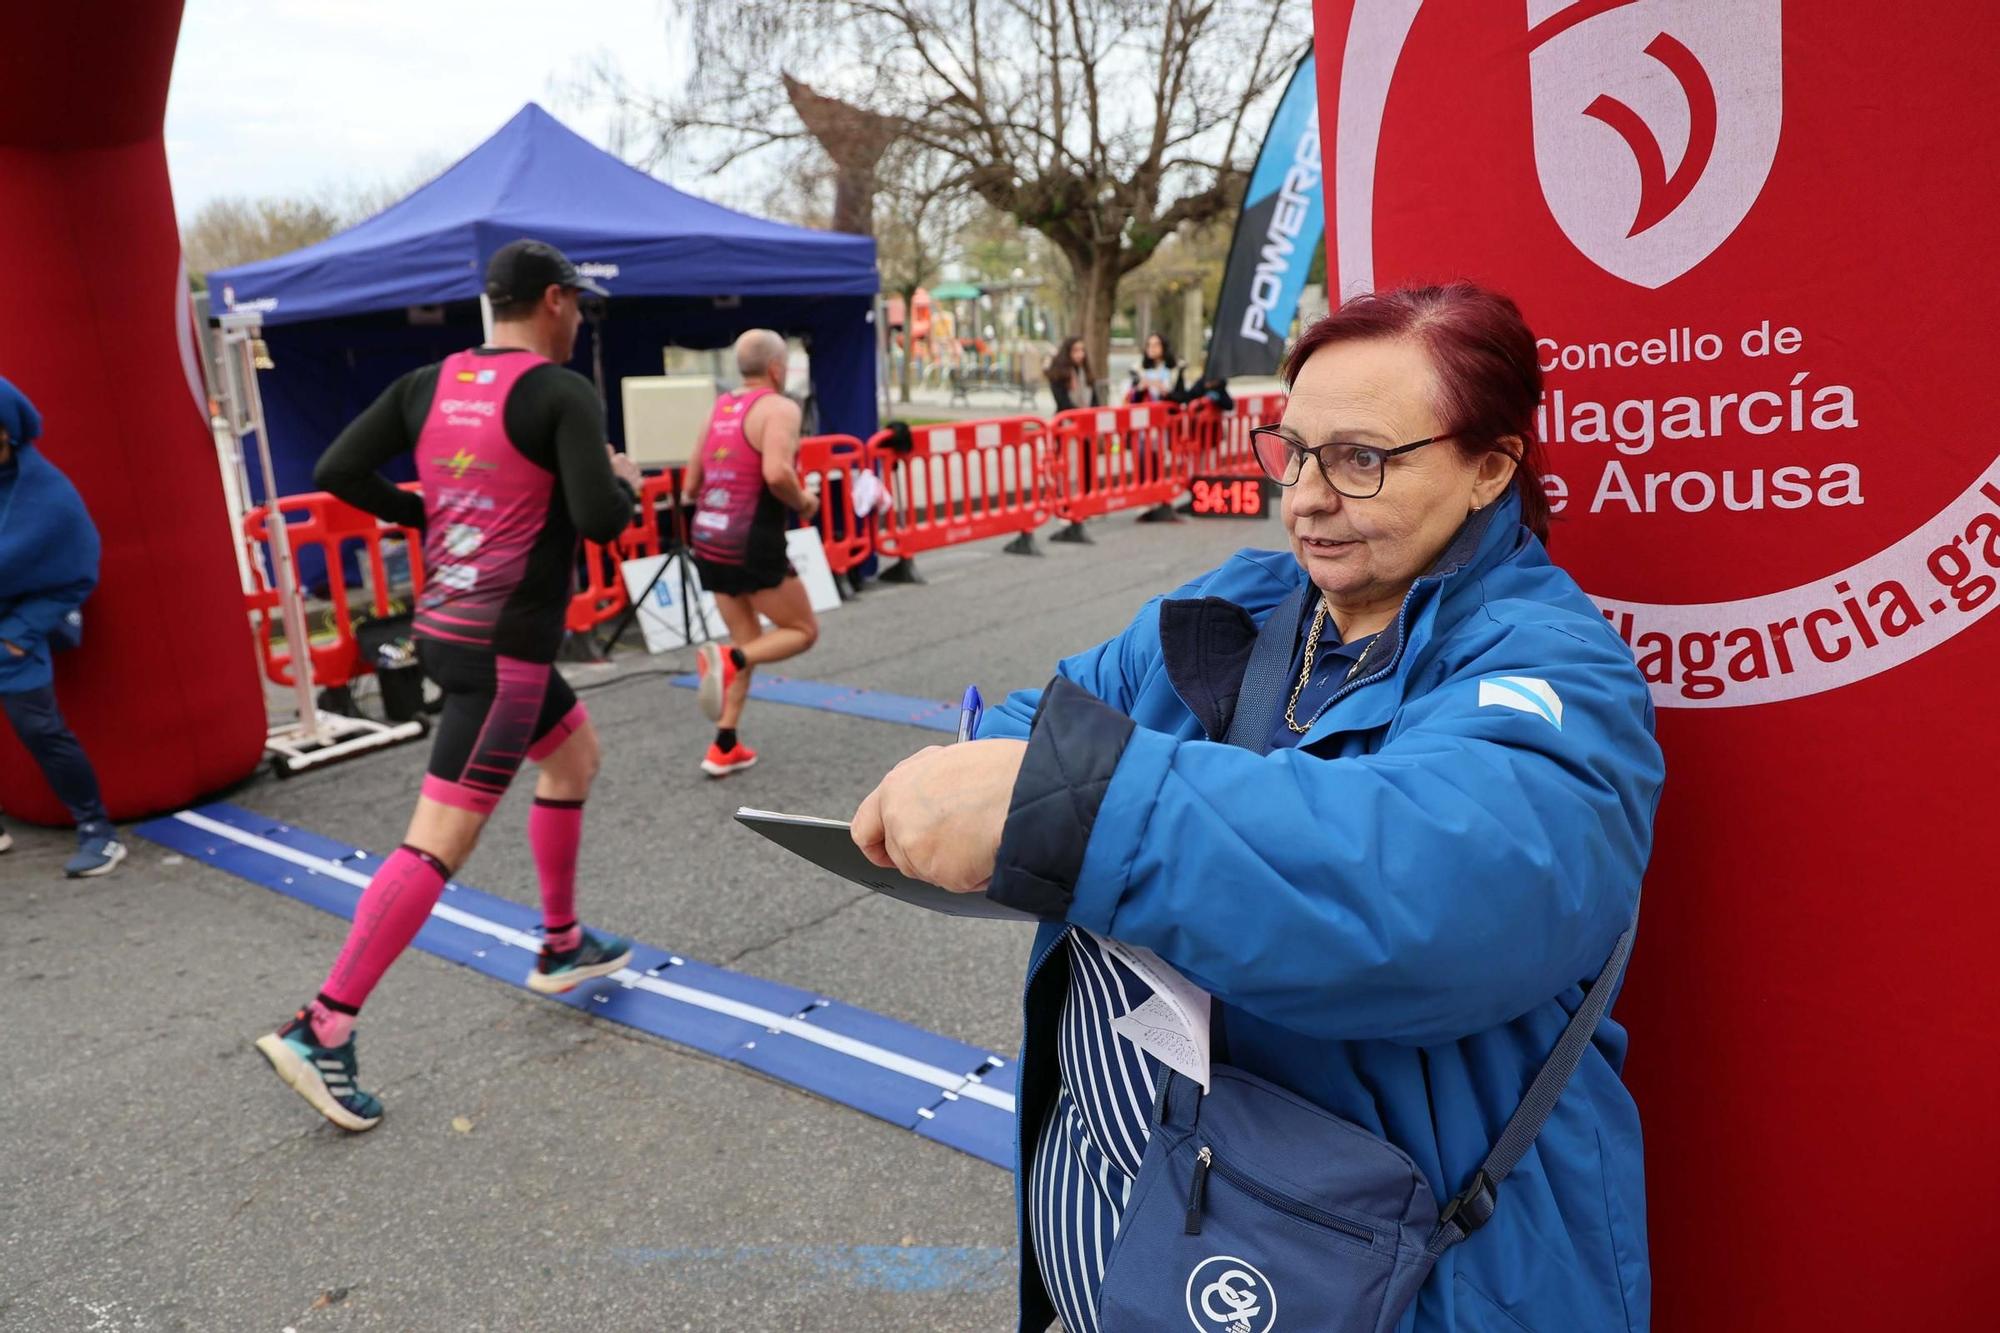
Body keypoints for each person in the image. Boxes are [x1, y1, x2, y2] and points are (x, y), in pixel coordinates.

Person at [852, 284, 1664, 1331]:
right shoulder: (1239, 605)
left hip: (1436, 1280)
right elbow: (1046, 720)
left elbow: (1434, 888)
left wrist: (1086, 807)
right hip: (1185, 1229)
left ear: (1488, 468)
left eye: (1361, 458)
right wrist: (980, 766)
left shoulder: (1555, 666)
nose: (1306, 498)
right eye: (1289, 449)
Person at [254, 239, 644, 1133]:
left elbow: (337, 471)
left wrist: (425, 510)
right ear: (552, 302)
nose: (579, 316)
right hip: (504, 649)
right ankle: (325, 1022)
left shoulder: (430, 383)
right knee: (436, 844)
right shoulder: (560, 392)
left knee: (574, 756)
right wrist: (619, 483)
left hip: (448, 627)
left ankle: (560, 942)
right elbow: (596, 518)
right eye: (576, 304)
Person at [681, 329, 821, 778]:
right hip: (752, 541)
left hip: (708, 537)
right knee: (801, 629)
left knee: (750, 642)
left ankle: (724, 743)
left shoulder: (718, 409)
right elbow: (777, 473)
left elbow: (690, 485)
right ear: (777, 369)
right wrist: (805, 502)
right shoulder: (779, 407)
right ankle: (730, 660)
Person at [0, 375, 125, 877]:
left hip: (15, 630)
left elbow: (75, 578)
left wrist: (16, 636)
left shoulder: (47, 493)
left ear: (6, 432)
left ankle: (99, 831)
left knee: (41, 730)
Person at [1125, 332, 1182, 403]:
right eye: (1149, 345)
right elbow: (1133, 400)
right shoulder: (1138, 369)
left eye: (1156, 345)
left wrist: (1165, 392)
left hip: (1166, 410)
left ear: (1164, 347)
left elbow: (1181, 397)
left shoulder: (1175, 369)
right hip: (1146, 410)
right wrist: (1140, 389)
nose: (1151, 348)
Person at [1044, 337, 1096, 413]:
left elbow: (1095, 400)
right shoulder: (1058, 374)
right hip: (1068, 419)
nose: (1080, 354)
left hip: (1088, 417)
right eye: (1076, 350)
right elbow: (1063, 403)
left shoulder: (1085, 371)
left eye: (1082, 350)